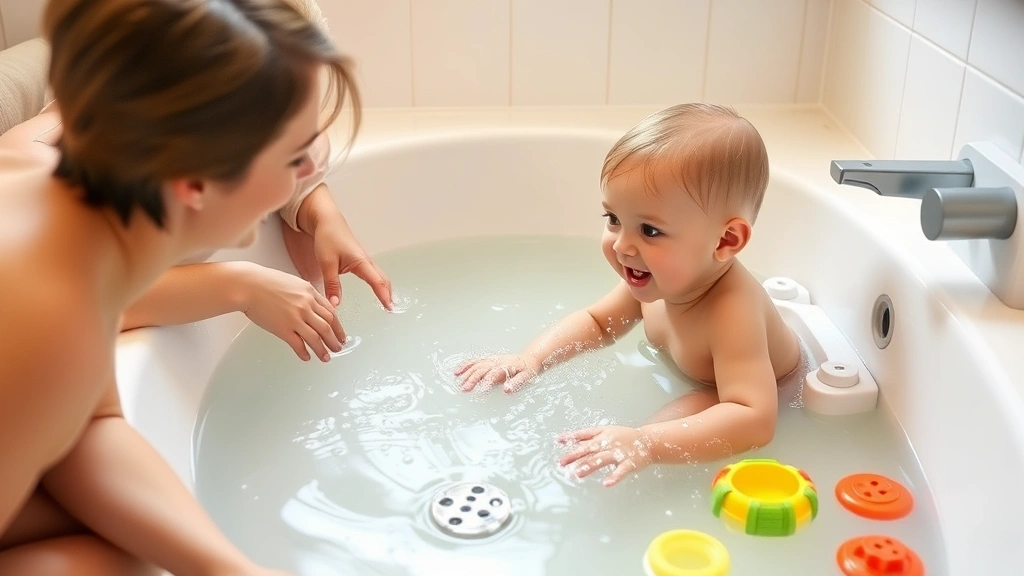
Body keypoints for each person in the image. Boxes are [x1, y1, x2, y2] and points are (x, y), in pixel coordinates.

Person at [0, 0, 359, 573]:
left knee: (122, 554)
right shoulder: (50, 311)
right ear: (194, 181)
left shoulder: (57, 202)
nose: (313, 171)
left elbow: (92, 426)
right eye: (295, 156)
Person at [0, 0, 393, 364]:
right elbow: (76, 296)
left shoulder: (182, 152)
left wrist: (315, 208)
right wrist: (241, 285)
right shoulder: (45, 189)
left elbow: (312, 146)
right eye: (291, 154)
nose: (309, 163)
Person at [455, 103, 801, 487]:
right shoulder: (656, 277)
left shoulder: (732, 311)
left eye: (650, 231)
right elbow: (599, 323)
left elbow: (754, 418)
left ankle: (638, 445)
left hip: (757, 394)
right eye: (614, 219)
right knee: (644, 431)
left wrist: (647, 443)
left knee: (666, 425)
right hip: (717, 388)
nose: (622, 245)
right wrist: (532, 357)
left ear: (726, 240)